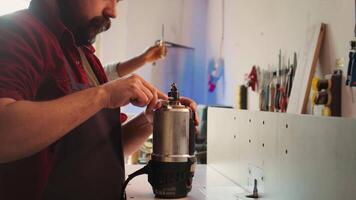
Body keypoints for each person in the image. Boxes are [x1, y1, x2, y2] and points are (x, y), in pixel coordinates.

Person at [0, 0, 198, 200]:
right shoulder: (16, 33)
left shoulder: (85, 56)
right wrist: (104, 95)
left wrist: (151, 120)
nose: (113, 12)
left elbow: (105, 151)